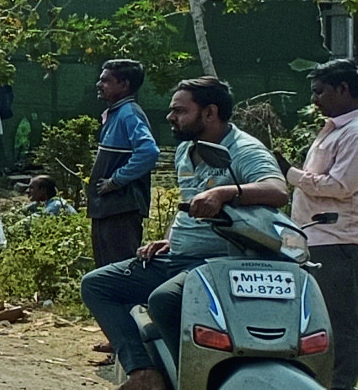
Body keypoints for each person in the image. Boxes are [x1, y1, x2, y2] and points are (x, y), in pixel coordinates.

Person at [85, 77, 290, 390]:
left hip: (218, 261)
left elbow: (277, 190)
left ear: (209, 113)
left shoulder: (244, 149)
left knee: (164, 300)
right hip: (178, 257)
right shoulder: (186, 150)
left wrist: (224, 193)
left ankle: (195, 379)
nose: (170, 117)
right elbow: (190, 203)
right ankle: (143, 372)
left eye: (179, 110)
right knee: (98, 285)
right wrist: (170, 239)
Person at [286, 59, 358, 390]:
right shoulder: (335, 129)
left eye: (320, 91)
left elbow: (341, 185)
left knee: (338, 324)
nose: (314, 100)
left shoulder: (354, 132)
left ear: (344, 89)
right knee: (320, 322)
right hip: (315, 237)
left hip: (337, 240)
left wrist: (292, 174)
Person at [90, 59, 161, 268]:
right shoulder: (116, 113)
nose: (99, 84)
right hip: (107, 208)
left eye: (106, 80)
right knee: (104, 269)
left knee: (119, 270)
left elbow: (149, 152)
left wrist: (115, 181)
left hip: (121, 207)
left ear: (124, 85)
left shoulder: (129, 113)